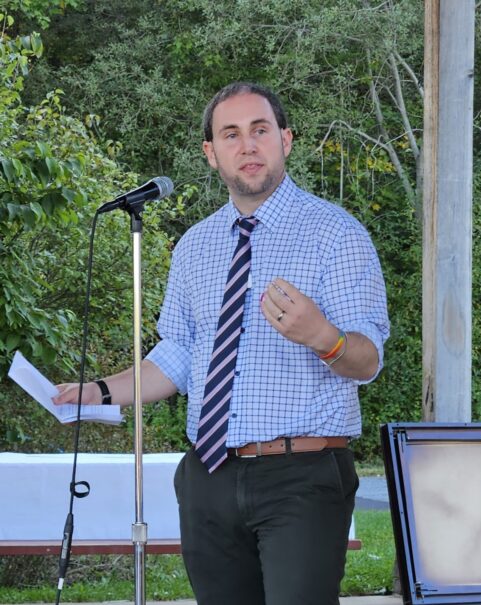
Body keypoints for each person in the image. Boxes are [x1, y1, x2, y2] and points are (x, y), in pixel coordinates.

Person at [53, 82, 390, 605]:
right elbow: (177, 358)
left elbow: (368, 360)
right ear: (212, 154)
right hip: (208, 477)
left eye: (260, 130)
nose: (247, 145)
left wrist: (322, 337)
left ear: (286, 140)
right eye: (230, 134)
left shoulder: (336, 234)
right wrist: (96, 391)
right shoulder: (195, 246)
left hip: (299, 476)